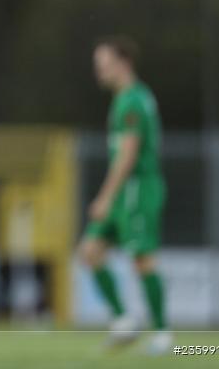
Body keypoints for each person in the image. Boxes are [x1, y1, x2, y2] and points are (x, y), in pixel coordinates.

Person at [79, 35, 170, 354]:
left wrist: (105, 196)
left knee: (142, 259)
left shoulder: (132, 100)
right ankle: (123, 321)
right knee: (90, 250)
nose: (99, 71)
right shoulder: (126, 98)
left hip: (136, 188)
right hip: (125, 191)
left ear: (124, 63)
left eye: (104, 64)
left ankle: (162, 335)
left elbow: (128, 154)